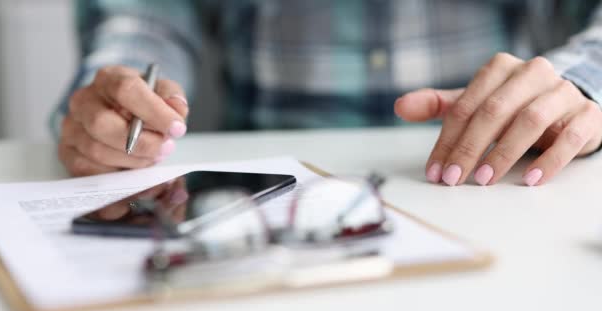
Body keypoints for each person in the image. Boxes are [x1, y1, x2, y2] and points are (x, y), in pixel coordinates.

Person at [53, 0, 602, 186]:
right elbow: (146, 16)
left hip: (500, 172)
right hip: (266, 183)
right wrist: (120, 91)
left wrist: (577, 84)